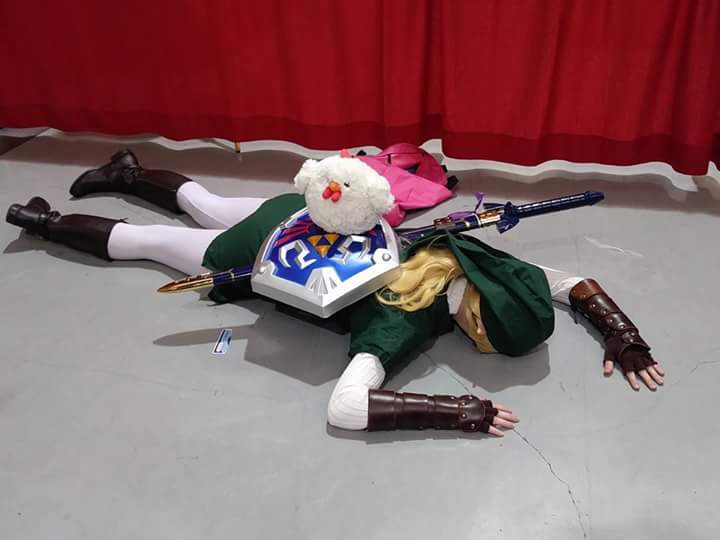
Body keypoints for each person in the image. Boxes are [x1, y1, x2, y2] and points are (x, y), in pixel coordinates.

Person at [5, 149, 665, 436]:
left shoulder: (463, 253)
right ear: (476, 323)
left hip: (301, 217)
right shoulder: (406, 322)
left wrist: (623, 333)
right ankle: (45, 222)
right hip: (261, 256)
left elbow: (569, 285)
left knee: (207, 201)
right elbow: (346, 408)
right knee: (153, 243)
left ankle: (128, 172)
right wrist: (460, 412)